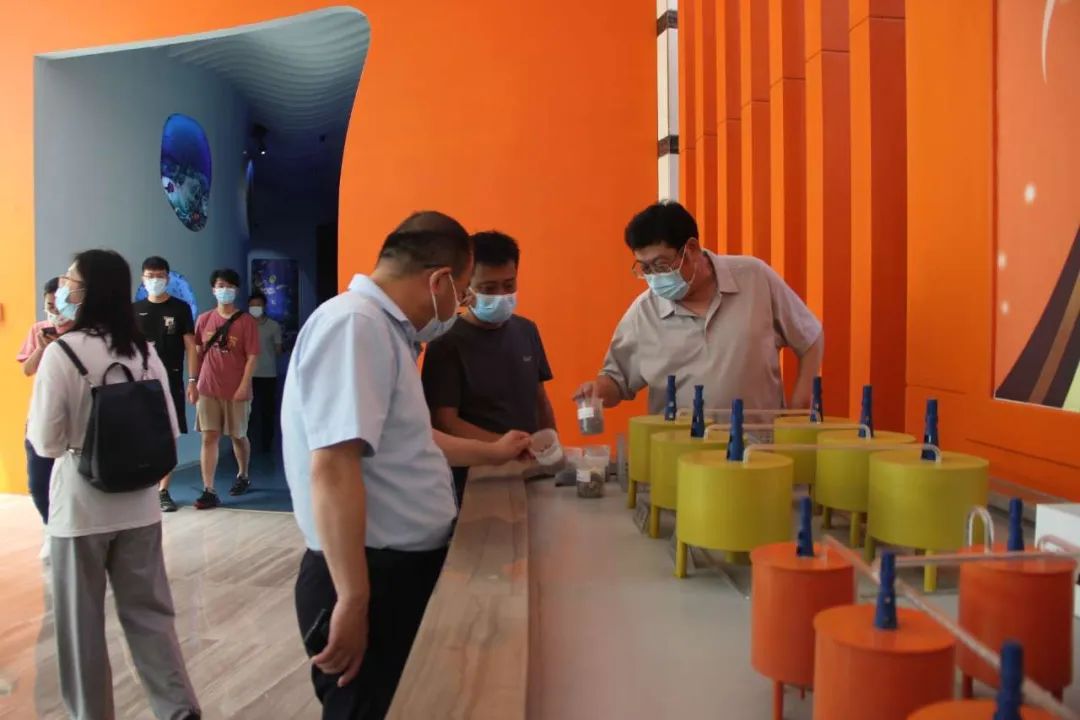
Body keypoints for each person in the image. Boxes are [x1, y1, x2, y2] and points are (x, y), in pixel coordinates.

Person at [282, 211, 532, 719]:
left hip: (393, 570)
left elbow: (413, 440)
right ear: (440, 281)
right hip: (369, 573)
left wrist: (495, 451)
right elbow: (333, 467)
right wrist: (354, 598)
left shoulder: (385, 332)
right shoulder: (355, 327)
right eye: (464, 291)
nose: (460, 305)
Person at [26, 249, 200, 720]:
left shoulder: (62, 353)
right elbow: (169, 427)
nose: (64, 288)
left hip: (80, 512)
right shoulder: (143, 350)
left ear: (88, 291)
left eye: (70, 281)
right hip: (141, 507)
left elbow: (45, 443)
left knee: (81, 628)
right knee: (152, 619)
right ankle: (178, 710)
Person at [575, 201, 823, 414]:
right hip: (679, 450)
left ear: (691, 249)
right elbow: (616, 380)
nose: (655, 277)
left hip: (756, 447)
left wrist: (800, 406)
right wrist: (597, 390)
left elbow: (811, 337)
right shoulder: (644, 312)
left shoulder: (754, 278)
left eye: (661, 265)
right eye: (645, 268)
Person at [422, 230, 555, 506]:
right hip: (475, 479)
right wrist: (502, 448)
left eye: (509, 284)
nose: (501, 295)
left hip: (528, 471)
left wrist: (552, 447)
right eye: (489, 288)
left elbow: (539, 399)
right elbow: (445, 422)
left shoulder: (526, 330)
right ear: (466, 287)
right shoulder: (446, 341)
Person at [191, 269, 260, 509]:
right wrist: (193, 382)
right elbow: (198, 353)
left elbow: (252, 357)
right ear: (213, 290)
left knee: (238, 436)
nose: (225, 290)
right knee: (209, 436)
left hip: (236, 390)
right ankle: (209, 489)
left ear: (236, 290)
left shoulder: (246, 322)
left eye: (229, 286)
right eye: (220, 286)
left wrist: (244, 385)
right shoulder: (204, 320)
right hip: (208, 388)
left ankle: (243, 474)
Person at [134, 256, 197, 512]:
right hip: (140, 384)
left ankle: (163, 490)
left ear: (168, 278)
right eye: (150, 276)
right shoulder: (134, 310)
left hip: (172, 381)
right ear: (143, 279)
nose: (155, 280)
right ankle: (143, 488)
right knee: (141, 434)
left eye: (160, 276)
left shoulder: (180, 308)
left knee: (169, 435)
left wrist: (193, 379)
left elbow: (191, 346)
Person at [17, 277, 73, 542]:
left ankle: (68, 534)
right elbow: (27, 369)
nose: (54, 311)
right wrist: (41, 349)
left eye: (58, 305)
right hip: (40, 417)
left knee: (72, 485)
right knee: (39, 484)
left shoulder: (80, 333)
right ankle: (52, 530)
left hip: (73, 421)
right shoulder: (38, 330)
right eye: (49, 306)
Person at [248, 291, 283, 454]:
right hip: (248, 375)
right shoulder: (244, 325)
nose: (255, 308)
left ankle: (266, 445)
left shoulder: (273, 326)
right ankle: (247, 444)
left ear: (264, 306)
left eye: (258, 305)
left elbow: (278, 349)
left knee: (267, 410)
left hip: (268, 374)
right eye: (252, 305)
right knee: (248, 411)